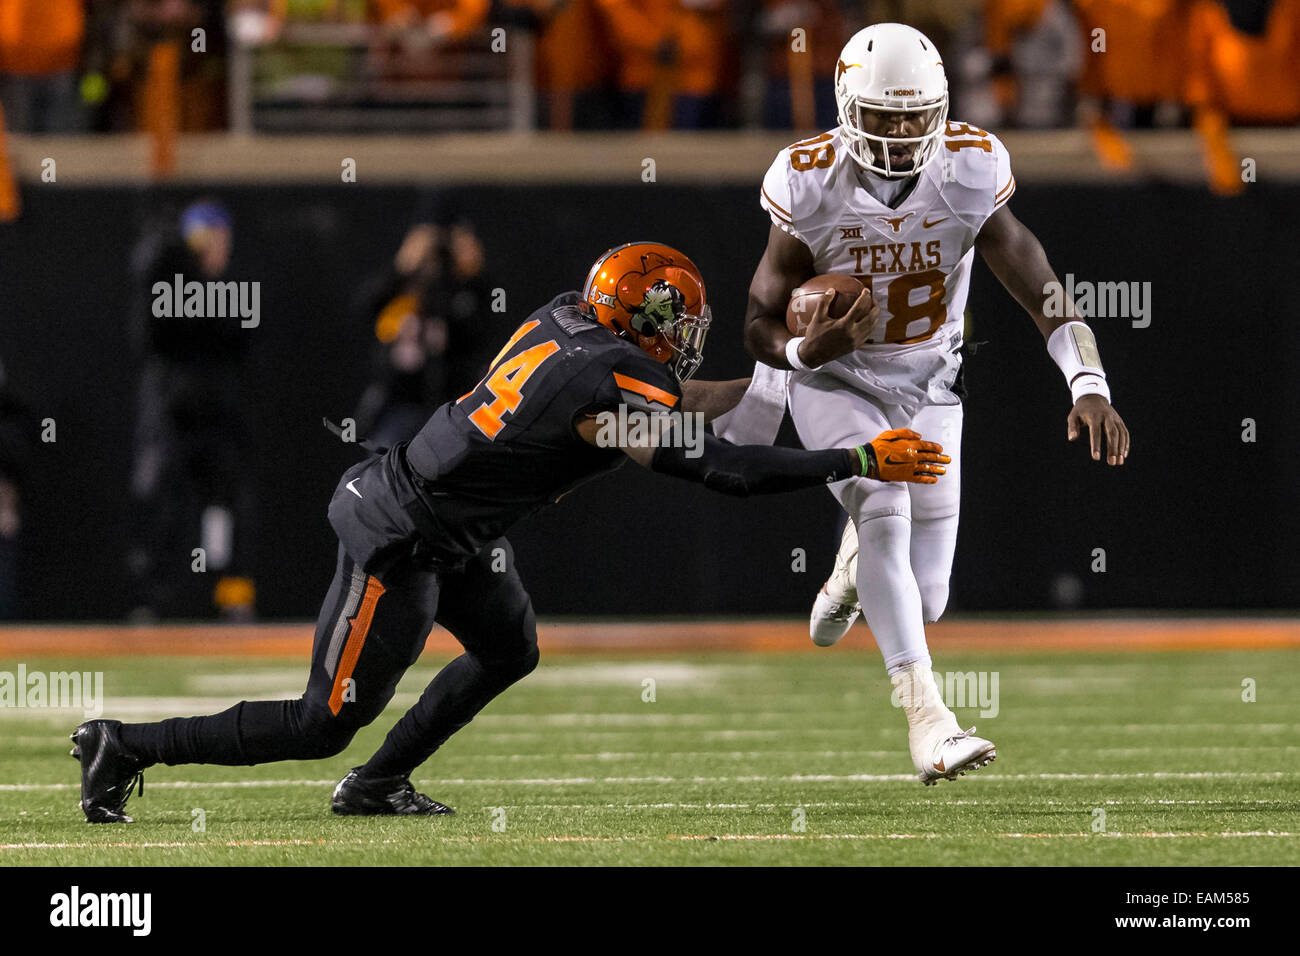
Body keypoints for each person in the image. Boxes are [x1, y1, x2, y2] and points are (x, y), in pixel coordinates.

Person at [72, 241, 950, 822]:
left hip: (457, 522)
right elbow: (720, 466)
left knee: (509, 647)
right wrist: (859, 460)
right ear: (639, 321)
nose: (683, 338)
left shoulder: (571, 318)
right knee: (323, 719)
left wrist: (790, 370)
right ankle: (126, 747)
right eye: (675, 323)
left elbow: (677, 411)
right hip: (404, 529)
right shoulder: (608, 383)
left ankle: (379, 784)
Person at [735, 23, 1130, 785]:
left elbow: (1041, 287)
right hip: (836, 381)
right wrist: (803, 353)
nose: (903, 131)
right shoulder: (808, 181)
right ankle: (929, 721)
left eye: (917, 115)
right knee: (883, 501)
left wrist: (1089, 385)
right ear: (850, 107)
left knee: (931, 594)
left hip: (932, 381)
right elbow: (758, 318)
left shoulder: (971, 169)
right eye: (885, 115)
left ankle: (853, 567)